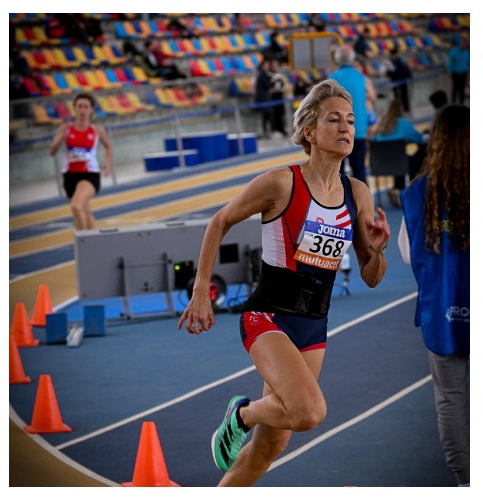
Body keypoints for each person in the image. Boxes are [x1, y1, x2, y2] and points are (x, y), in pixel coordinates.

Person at [178, 79, 390, 486]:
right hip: (268, 316)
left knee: (269, 447)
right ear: (309, 132)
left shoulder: (357, 193)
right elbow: (219, 220)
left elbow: (371, 276)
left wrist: (377, 250)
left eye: (350, 120)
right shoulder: (281, 183)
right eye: (334, 119)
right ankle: (242, 412)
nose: (346, 127)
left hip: (314, 324)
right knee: (309, 412)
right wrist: (201, 288)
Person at [398, 104, 469, 487]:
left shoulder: (417, 195)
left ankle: (465, 482)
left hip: (443, 314)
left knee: (451, 402)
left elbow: (409, 254)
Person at [48, 92, 112, 230]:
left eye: (86, 107)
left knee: (76, 206)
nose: (83, 110)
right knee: (85, 213)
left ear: (91, 110)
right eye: (80, 106)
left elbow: (108, 146)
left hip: (89, 175)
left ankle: (82, 242)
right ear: (75, 109)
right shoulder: (65, 129)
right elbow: (52, 152)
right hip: (70, 176)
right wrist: (58, 141)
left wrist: (107, 164)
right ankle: (93, 245)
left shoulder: (97, 130)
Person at [371, 99, 424, 207]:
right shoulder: (403, 123)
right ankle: (406, 189)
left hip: (379, 165)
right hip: (400, 162)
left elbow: (374, 139)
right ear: (401, 110)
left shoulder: (382, 123)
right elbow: (420, 139)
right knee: (417, 156)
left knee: (398, 157)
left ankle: (397, 187)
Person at [330, 45, 369, 185]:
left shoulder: (333, 78)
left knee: (338, 172)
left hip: (340, 131)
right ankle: (363, 204)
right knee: (359, 170)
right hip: (359, 130)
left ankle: (341, 204)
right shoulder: (361, 77)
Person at [386, 47, 412, 113]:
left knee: (404, 95)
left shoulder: (402, 59)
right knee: (396, 96)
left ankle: (406, 109)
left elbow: (406, 69)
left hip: (402, 80)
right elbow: (390, 71)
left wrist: (408, 76)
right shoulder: (389, 61)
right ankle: (398, 110)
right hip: (395, 81)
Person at [446, 33, 469, 105]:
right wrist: (449, 71)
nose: (464, 44)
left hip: (464, 72)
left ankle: (462, 103)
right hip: (455, 72)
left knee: (462, 88)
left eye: (466, 43)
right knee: (455, 88)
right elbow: (450, 61)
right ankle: (453, 103)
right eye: (463, 42)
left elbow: (469, 62)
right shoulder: (454, 51)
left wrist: (469, 71)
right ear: (460, 42)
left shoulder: (467, 51)